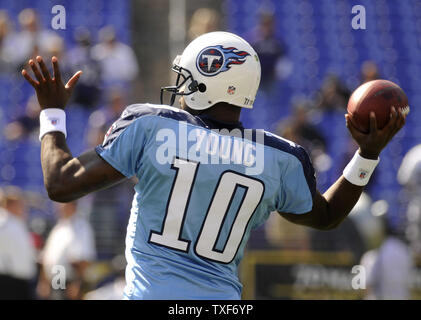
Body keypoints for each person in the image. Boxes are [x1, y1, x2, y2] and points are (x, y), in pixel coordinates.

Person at [21, 31, 406, 300]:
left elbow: (59, 182)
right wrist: (367, 153)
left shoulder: (151, 126)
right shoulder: (278, 157)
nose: (180, 86)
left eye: (187, 77)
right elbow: (326, 216)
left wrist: (52, 112)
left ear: (208, 81)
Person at [37, 201, 96, 300]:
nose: (59, 207)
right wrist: (44, 281)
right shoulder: (58, 227)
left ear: (73, 206)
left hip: (70, 280)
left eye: (63, 204)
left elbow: (84, 259)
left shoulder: (81, 227)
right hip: (56, 278)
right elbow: (47, 257)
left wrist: (77, 284)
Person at [0, 186, 37, 299]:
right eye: (19, 204)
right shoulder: (3, 223)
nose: (23, 208)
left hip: (22, 281)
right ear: (9, 205)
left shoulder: (18, 223)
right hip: (8, 280)